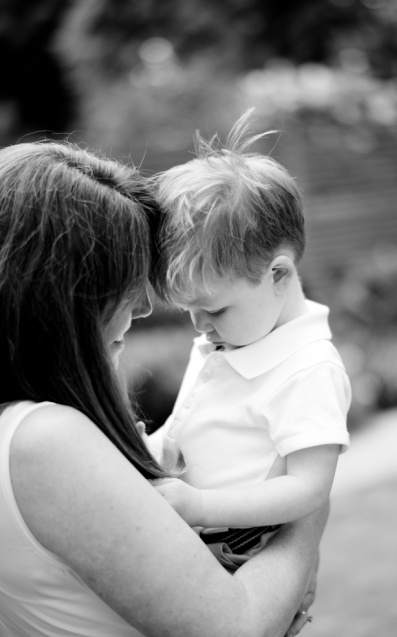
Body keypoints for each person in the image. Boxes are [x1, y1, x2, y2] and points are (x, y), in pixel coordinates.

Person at [0, 141, 323, 637]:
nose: (145, 307)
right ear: (56, 296)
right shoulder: (45, 440)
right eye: (121, 282)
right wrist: (305, 524)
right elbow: (235, 628)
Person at [146, 113, 350, 570]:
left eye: (214, 310)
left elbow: (309, 488)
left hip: (239, 565)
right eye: (188, 311)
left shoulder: (308, 367)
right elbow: (194, 433)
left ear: (277, 274)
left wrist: (198, 506)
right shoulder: (230, 342)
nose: (199, 326)